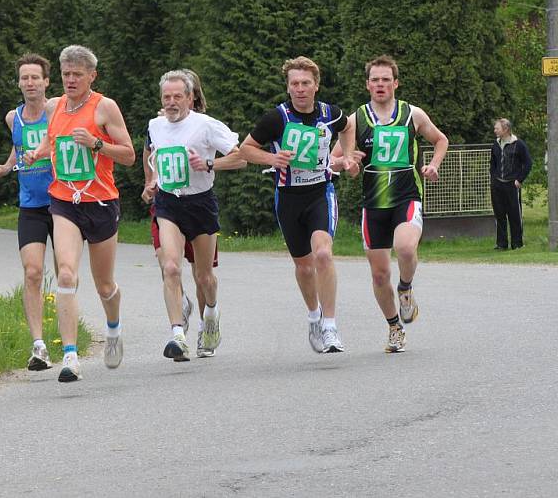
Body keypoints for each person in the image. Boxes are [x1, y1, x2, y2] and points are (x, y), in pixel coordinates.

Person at [26, 44, 135, 383]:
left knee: (104, 285)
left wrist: (97, 143)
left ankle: (113, 328)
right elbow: (53, 140)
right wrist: (37, 153)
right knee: (67, 275)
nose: (70, 80)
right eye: (65, 74)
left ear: (92, 76)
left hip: (100, 203)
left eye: (77, 74)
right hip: (63, 201)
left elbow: (130, 155)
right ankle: (70, 356)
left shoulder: (105, 108)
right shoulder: (54, 105)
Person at [332, 55, 448, 353]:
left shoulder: (412, 114)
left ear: (395, 83)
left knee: (406, 247)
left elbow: (440, 140)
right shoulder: (356, 120)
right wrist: (349, 163)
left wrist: (434, 165)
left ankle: (406, 288)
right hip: (373, 204)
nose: (380, 84)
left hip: (407, 197)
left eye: (386, 79)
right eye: (375, 80)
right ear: (367, 84)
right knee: (380, 273)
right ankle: (395, 327)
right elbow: (335, 159)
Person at [240, 56, 355, 354]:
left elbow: (348, 126)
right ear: (288, 87)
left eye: (305, 83)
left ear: (316, 86)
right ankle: (314, 316)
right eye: (294, 84)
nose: (300, 89)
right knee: (304, 267)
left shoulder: (330, 113)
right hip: (288, 197)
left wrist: (345, 156)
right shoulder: (276, 118)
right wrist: (272, 158)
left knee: (323, 254)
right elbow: (246, 149)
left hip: (321, 192)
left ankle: (330, 327)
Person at [145, 70, 241, 361]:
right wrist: (151, 180)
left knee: (204, 277)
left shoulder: (207, 126)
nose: (171, 102)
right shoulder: (155, 125)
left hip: (200, 204)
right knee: (171, 268)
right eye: (166, 97)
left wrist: (209, 163)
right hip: (168, 203)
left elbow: (240, 157)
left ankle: (210, 315)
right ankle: (178, 335)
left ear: (190, 97)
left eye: (177, 96)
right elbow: (151, 153)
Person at [0, 53, 57, 371]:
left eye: (35, 77)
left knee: (68, 273)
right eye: (24, 78)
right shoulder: (11, 117)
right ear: (18, 83)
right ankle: (39, 345)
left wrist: (43, 154)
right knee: (32, 272)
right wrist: (5, 167)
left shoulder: (56, 110)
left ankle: (72, 339)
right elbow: (19, 147)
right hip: (30, 204)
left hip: (61, 201)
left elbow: (60, 142)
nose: (29, 83)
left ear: (46, 81)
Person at [490, 118, 532, 250]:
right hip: (497, 185)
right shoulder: (496, 144)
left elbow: (528, 163)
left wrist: (519, 179)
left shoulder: (519, 144)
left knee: (514, 215)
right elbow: (493, 163)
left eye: (497, 128)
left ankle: (517, 244)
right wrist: (493, 179)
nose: (495, 130)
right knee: (499, 214)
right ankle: (501, 244)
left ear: (506, 129)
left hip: (512, 185)